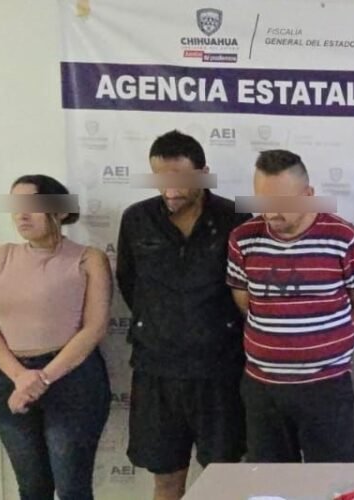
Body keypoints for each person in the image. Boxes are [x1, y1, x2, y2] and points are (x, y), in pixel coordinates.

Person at [117, 131, 249, 499]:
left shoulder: (235, 218)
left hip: (219, 370)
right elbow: (129, 282)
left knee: (222, 480)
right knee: (165, 480)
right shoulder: (137, 219)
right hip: (157, 370)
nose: (170, 189)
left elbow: (247, 287)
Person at [227, 149, 354, 463]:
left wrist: (333, 343)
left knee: (333, 479)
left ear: (308, 195)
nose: (270, 213)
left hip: (326, 386)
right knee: (270, 481)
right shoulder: (243, 238)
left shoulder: (344, 238)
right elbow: (243, 300)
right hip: (263, 389)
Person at [0, 175, 112, 500]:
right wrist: (21, 377)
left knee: (72, 488)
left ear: (60, 210)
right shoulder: (0, 256)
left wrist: (43, 378)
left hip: (72, 379)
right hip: (11, 378)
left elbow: (94, 327)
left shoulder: (89, 258)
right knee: (32, 488)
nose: (22, 215)